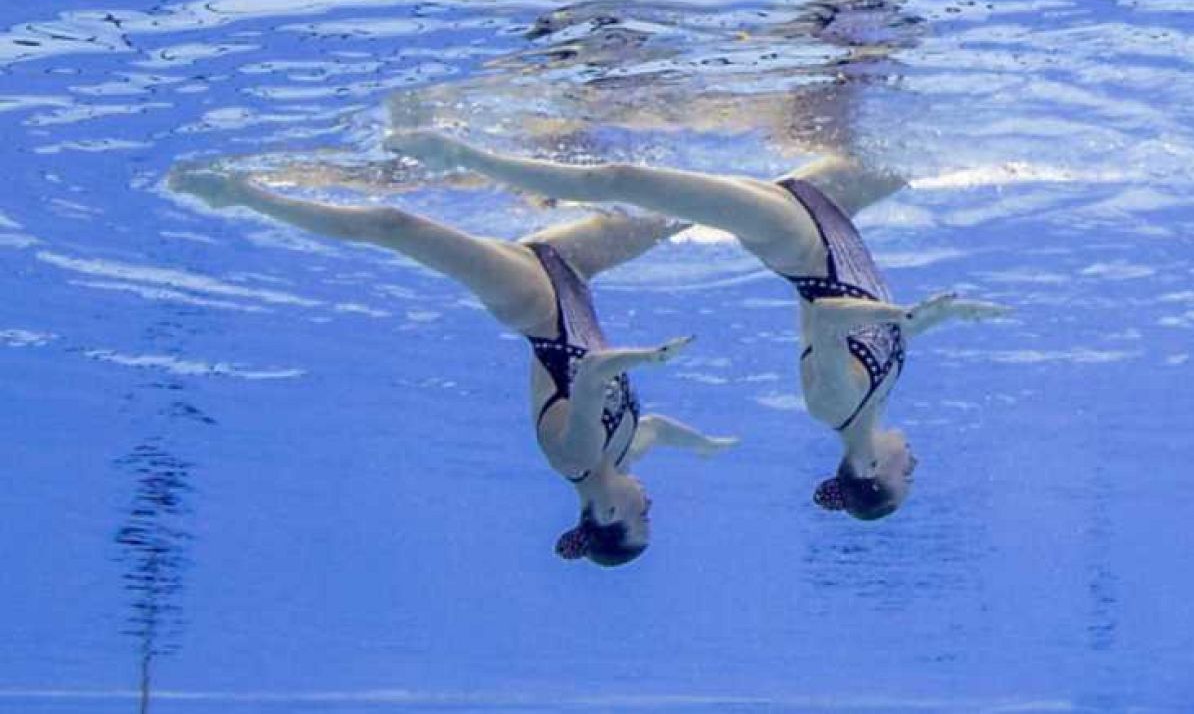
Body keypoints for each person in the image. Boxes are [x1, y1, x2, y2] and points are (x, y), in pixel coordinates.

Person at [382, 132, 1007, 521]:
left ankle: (464, 155)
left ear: (870, 473)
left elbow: (832, 315)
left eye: (906, 481)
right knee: (907, 149)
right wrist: (934, 318)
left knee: (625, 183)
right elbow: (882, 337)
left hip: (799, 239)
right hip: (830, 219)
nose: (915, 467)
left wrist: (902, 314)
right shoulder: (878, 395)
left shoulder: (834, 406)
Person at [166, 166, 736, 567]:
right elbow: (657, 429)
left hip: (535, 302)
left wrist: (650, 359)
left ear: (609, 512)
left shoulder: (576, 456)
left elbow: (589, 377)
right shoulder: (620, 455)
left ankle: (242, 196)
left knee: (395, 226)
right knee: (679, 210)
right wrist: (703, 444)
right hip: (575, 277)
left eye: (644, 520)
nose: (652, 507)